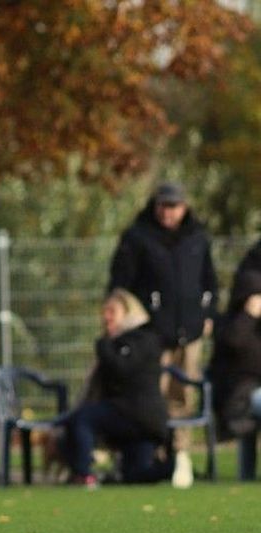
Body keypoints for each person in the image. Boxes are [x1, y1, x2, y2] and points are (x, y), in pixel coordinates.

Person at [108, 182, 218, 489]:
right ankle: (150, 454)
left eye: (173, 206)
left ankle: (180, 453)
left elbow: (209, 282)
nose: (167, 212)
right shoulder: (137, 238)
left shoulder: (196, 238)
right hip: (151, 336)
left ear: (184, 207)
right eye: (162, 205)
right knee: (150, 395)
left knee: (184, 394)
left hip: (190, 332)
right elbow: (120, 286)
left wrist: (208, 316)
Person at [61, 289, 170, 486]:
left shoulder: (137, 339)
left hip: (135, 414)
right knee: (135, 475)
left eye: (112, 311)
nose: (106, 317)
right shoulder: (145, 338)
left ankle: (82, 473)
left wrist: (104, 345)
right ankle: (173, 469)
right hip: (146, 420)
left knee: (81, 419)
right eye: (104, 312)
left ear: (128, 312)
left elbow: (121, 368)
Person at [208, 248, 261, 481]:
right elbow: (233, 345)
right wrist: (249, 316)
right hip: (240, 395)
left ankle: (246, 475)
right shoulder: (232, 324)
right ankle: (245, 475)